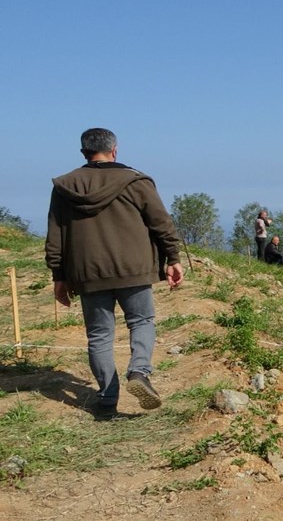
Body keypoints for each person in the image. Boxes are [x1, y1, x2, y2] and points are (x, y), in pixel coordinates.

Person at [45, 128, 183, 419]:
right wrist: (173, 258)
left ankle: (107, 401)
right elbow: (161, 223)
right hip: (133, 269)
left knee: (99, 337)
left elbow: (55, 235)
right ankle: (139, 371)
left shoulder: (65, 186)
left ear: (84, 152)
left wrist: (58, 276)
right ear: (115, 149)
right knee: (142, 321)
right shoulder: (135, 181)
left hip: (87, 273)